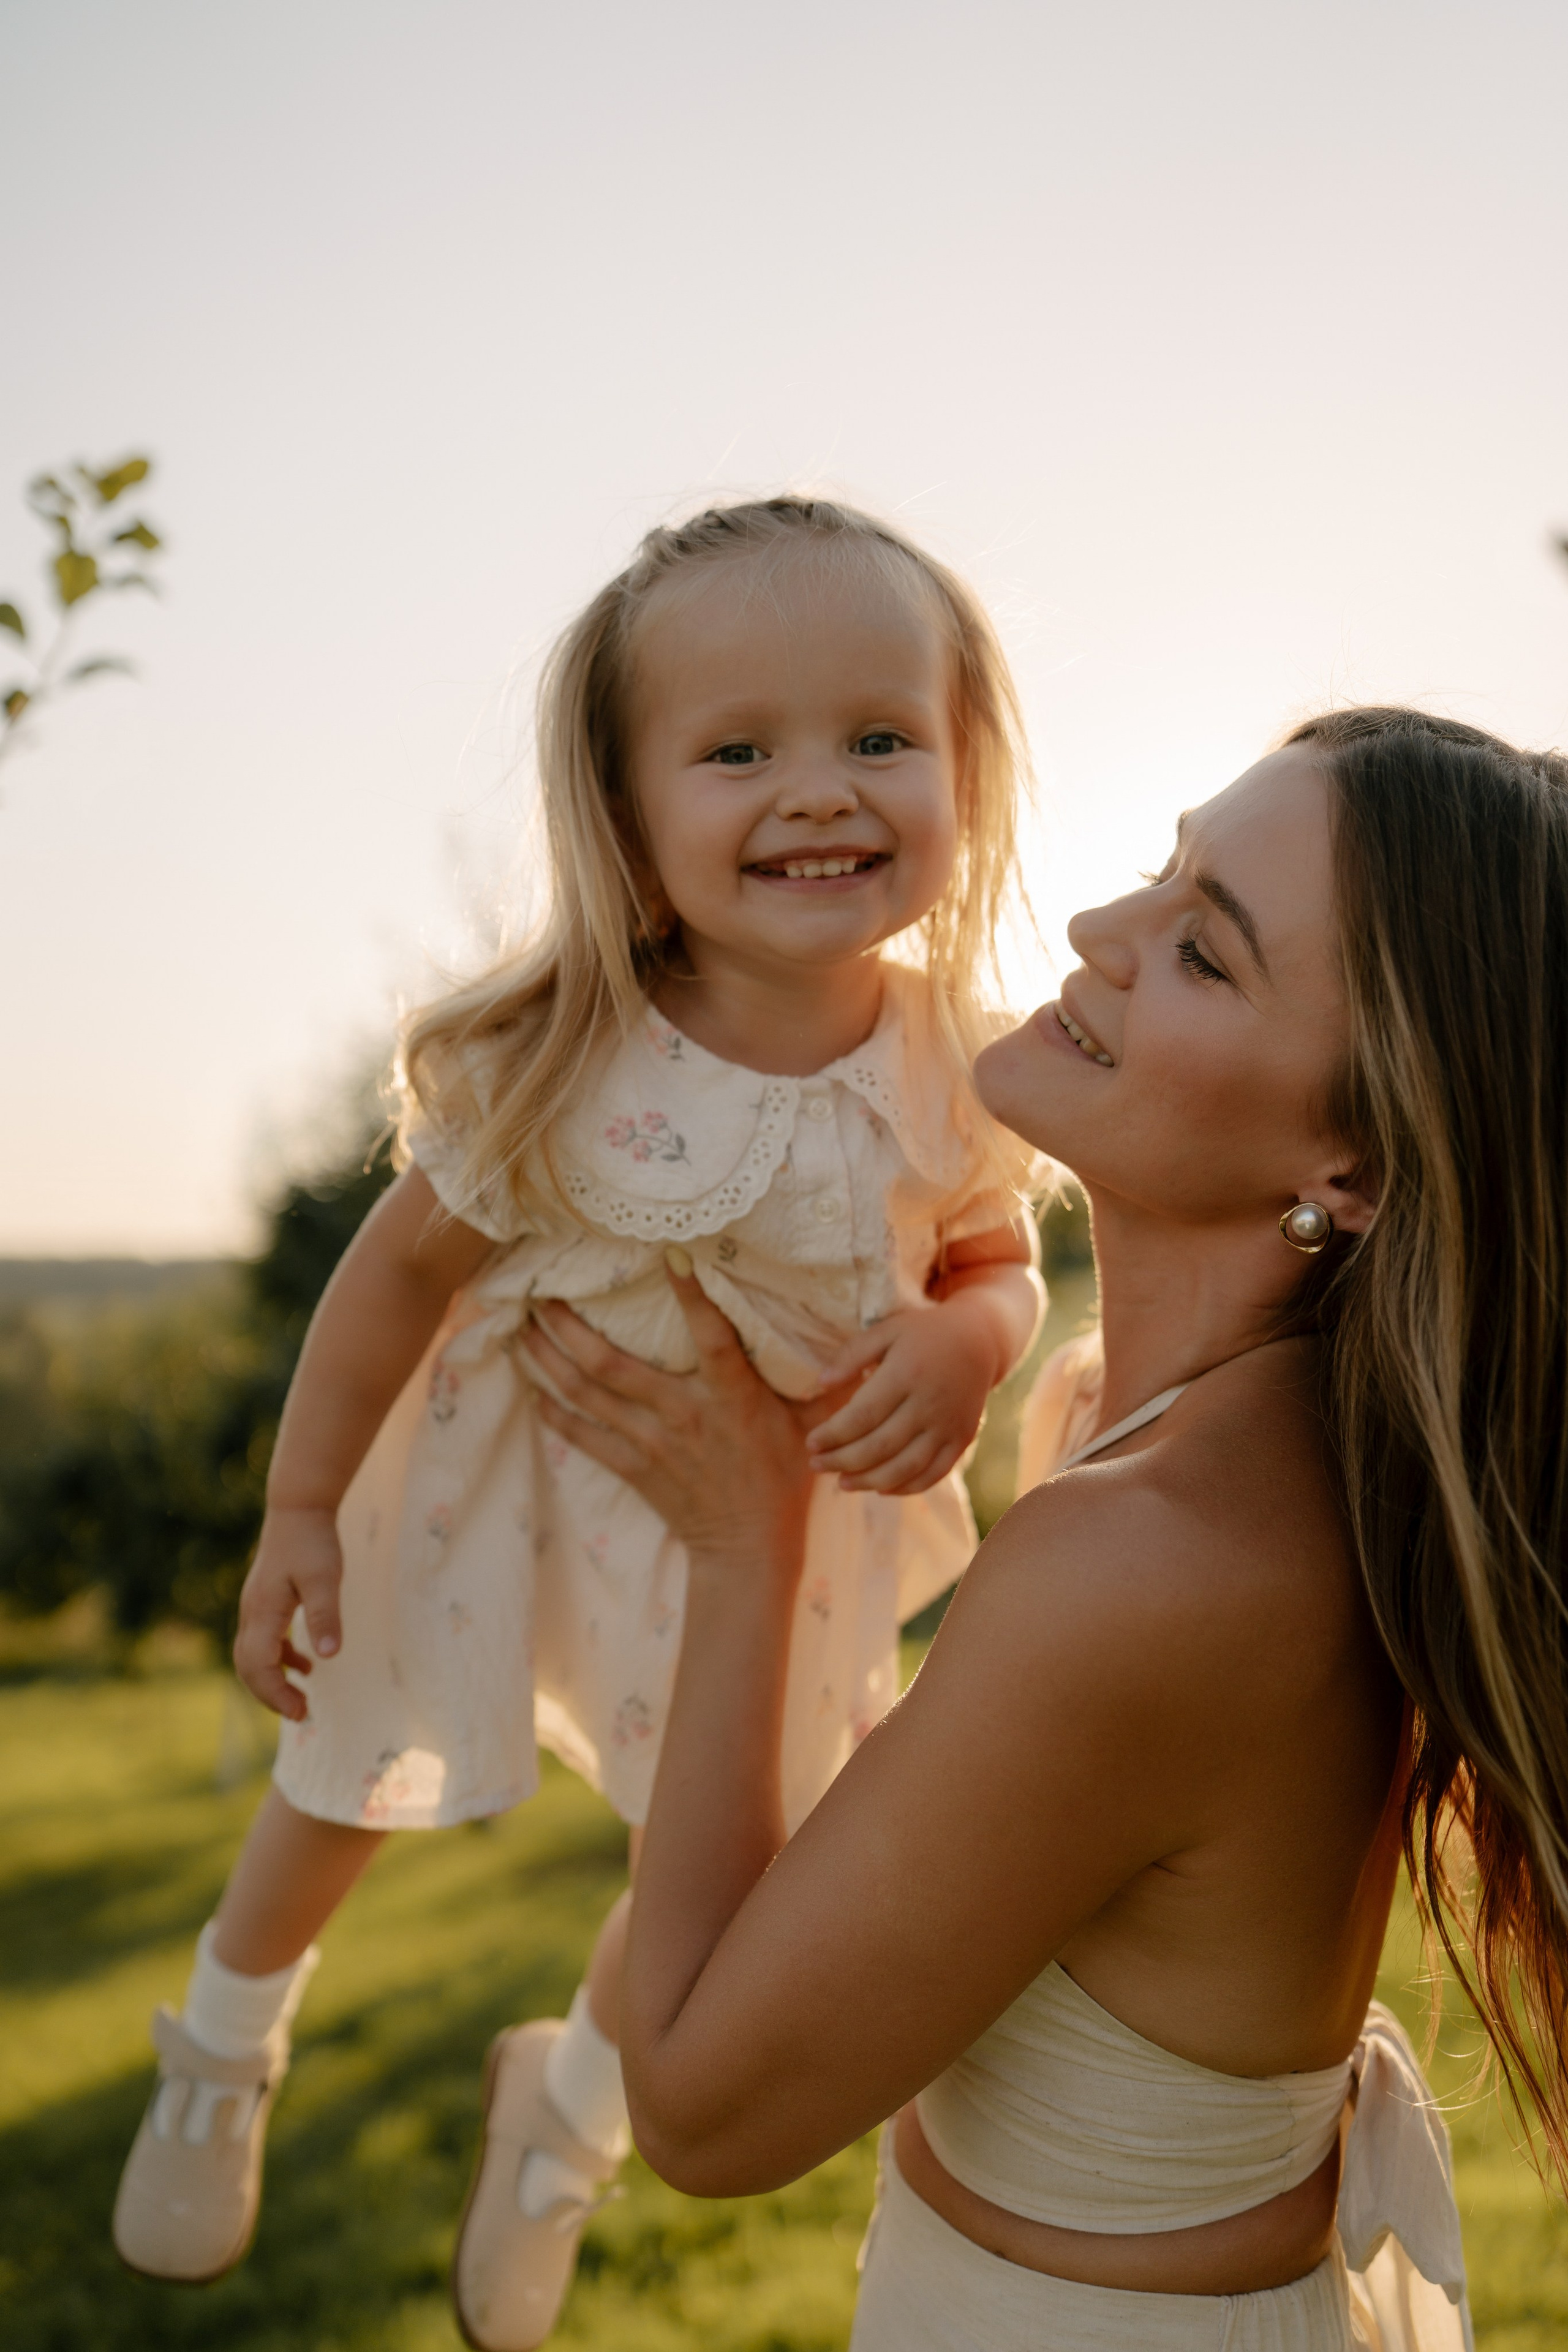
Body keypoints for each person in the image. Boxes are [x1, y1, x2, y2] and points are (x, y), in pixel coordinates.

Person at [110, 496, 1042, 2348]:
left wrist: (975, 1348)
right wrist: (302, 1512)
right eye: (737, 750)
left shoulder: (956, 1056)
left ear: (965, 767)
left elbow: (995, 1256)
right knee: (348, 1752)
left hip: (780, 1519)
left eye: (880, 738)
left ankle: (566, 2126)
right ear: (626, 815)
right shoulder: (575, 1046)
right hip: (507, 1475)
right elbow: (385, 1282)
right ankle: (227, 2038)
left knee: (734, 1852)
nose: (820, 791)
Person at [525, 708, 1568, 2349]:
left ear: (1353, 1162)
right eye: (1162, 874)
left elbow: (710, 2117)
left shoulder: (1154, 1552)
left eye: (1206, 953)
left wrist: (748, 1546)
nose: (1099, 933)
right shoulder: (1168, 1428)